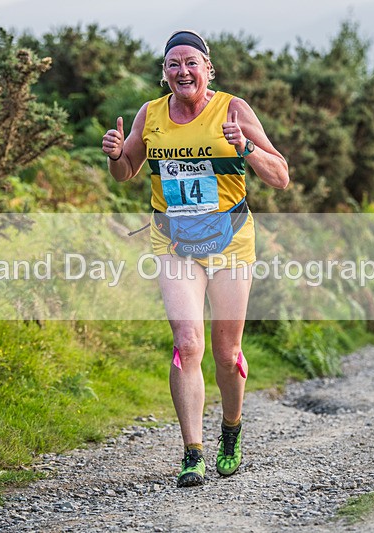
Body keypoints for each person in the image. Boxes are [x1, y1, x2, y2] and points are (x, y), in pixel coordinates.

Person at [102, 29, 289, 488]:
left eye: (191, 63)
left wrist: (246, 148)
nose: (182, 71)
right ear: (164, 73)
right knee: (187, 344)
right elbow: (126, 172)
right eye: (173, 64)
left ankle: (231, 430)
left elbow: (280, 176)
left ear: (208, 69)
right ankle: (192, 452)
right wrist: (115, 156)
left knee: (227, 353)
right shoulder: (150, 114)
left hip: (230, 240)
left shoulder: (234, 109)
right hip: (174, 243)